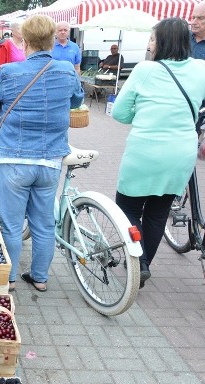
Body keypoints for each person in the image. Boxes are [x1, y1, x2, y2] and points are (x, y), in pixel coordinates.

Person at [0, 14, 84, 292]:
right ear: (52, 39)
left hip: (12, 158)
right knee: (44, 223)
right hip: (49, 160)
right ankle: (40, 278)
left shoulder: (10, 72)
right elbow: (77, 99)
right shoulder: (65, 70)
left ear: (24, 41)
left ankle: (10, 278)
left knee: (11, 224)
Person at [111, 17, 205, 287]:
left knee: (127, 208)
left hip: (146, 151)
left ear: (161, 42)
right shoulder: (201, 69)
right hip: (182, 152)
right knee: (157, 213)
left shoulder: (145, 70)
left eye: (152, 39)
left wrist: (143, 114)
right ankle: (144, 267)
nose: (149, 44)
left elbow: (119, 112)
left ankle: (137, 261)